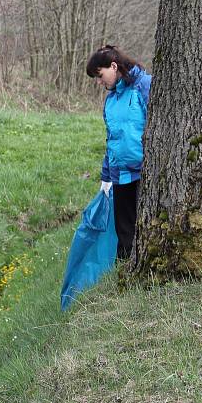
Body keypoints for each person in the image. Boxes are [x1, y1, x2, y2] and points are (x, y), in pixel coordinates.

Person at [86, 45, 152, 259]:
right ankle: (123, 276)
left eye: (100, 75)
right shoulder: (111, 100)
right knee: (125, 233)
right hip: (121, 175)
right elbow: (111, 140)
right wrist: (106, 177)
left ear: (113, 66)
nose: (99, 82)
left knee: (148, 226)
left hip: (146, 173)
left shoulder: (144, 86)